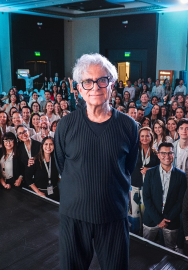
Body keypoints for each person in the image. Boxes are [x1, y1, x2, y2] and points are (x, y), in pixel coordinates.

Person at [54, 54, 139, 269]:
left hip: (113, 215)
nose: (95, 87)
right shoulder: (66, 125)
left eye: (102, 80)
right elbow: (62, 165)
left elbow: (127, 167)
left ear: (111, 85)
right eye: (88, 82)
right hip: (74, 215)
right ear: (79, 89)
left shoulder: (129, 126)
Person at [142, 142, 187, 251]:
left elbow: (181, 201)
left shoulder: (181, 175)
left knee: (170, 250)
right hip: (151, 218)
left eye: (170, 153)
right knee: (146, 248)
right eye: (163, 153)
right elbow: (146, 198)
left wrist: (167, 218)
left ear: (174, 154)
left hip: (170, 220)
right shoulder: (150, 173)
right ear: (158, 155)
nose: (167, 156)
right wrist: (158, 219)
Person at [129, 127, 160, 234]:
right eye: (142, 136)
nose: (144, 138)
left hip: (148, 188)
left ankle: (145, 234)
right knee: (135, 213)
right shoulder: (133, 151)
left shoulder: (155, 153)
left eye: (147, 135)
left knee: (145, 211)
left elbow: (160, 169)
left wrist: (150, 170)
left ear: (151, 137)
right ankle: (135, 234)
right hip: (134, 185)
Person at [25, 137, 60, 201]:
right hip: (40, 193)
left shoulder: (57, 160)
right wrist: (38, 192)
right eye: (46, 144)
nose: (48, 147)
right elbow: (28, 178)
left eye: (51, 144)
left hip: (54, 193)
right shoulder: (34, 161)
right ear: (42, 146)